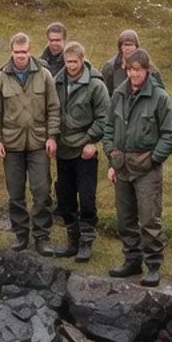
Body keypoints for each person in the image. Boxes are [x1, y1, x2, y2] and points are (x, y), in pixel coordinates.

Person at [104, 48, 172, 287]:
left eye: (138, 70)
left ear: (146, 70)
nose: (133, 74)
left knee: (149, 219)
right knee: (125, 218)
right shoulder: (118, 94)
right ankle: (132, 260)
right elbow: (108, 127)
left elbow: (170, 135)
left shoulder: (159, 97)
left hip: (147, 170)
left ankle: (153, 265)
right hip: (122, 167)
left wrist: (153, 159)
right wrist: (111, 155)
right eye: (130, 69)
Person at [0, 32, 60, 254]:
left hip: (38, 143)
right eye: (17, 52)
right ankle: (20, 234)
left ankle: (41, 236)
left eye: (24, 52)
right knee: (15, 192)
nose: (21, 56)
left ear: (30, 50)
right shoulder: (0, 78)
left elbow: (53, 108)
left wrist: (52, 136)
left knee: (41, 190)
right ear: (11, 52)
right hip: (12, 145)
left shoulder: (44, 75)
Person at [51, 42, 111, 262]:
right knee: (65, 197)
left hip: (85, 148)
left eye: (74, 62)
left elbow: (105, 118)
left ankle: (86, 242)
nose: (71, 66)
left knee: (87, 196)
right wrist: (52, 137)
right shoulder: (56, 81)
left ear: (83, 60)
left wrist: (92, 140)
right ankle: (72, 240)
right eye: (67, 62)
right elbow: (51, 111)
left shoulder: (96, 85)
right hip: (63, 147)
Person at [104, 29, 159, 94]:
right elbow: (104, 93)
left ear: (136, 46)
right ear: (120, 47)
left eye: (130, 45)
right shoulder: (110, 67)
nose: (127, 48)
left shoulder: (147, 66)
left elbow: (159, 89)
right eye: (125, 45)